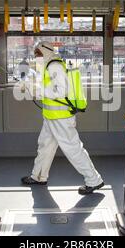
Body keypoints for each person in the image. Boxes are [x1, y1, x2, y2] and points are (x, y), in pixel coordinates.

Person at [20, 41, 104, 195]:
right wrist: (31, 86)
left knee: (73, 149)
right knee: (45, 146)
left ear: (45, 51)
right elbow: (47, 89)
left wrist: (36, 89)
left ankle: (94, 180)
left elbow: (61, 91)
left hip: (60, 117)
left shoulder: (54, 66)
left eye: (37, 53)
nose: (35, 56)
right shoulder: (47, 65)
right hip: (51, 116)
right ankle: (39, 176)